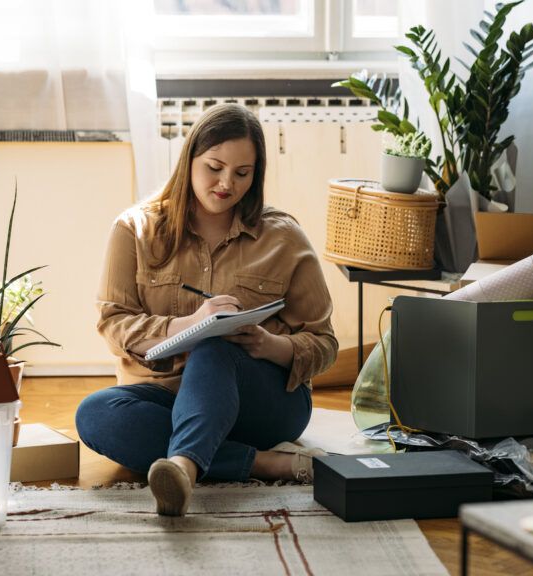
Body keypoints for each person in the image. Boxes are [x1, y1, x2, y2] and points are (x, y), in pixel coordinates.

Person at [76, 103, 338, 516]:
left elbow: (323, 343)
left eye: (242, 173)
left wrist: (270, 345)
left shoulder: (283, 237)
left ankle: (182, 466)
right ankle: (266, 464)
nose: (225, 184)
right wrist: (190, 323)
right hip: (166, 397)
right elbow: (113, 323)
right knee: (94, 415)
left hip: (261, 404)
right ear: (190, 159)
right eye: (214, 167)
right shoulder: (134, 230)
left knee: (215, 349)